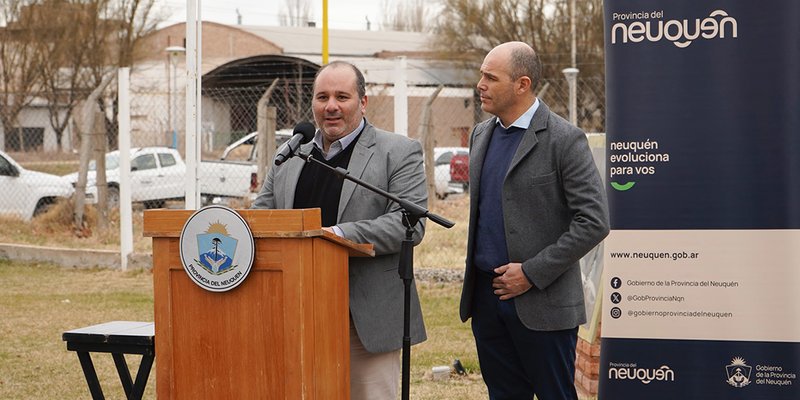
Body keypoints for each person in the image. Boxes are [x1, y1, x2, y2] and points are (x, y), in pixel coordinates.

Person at [252, 61, 427, 400]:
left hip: (362, 317)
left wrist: (332, 235)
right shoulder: (291, 154)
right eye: (322, 97)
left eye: (342, 96)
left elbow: (408, 223)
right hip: (295, 310)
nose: (330, 106)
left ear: (362, 102)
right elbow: (262, 216)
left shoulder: (398, 151)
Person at [459, 41, 610, 400]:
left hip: (544, 304)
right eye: (481, 75)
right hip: (487, 299)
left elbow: (594, 221)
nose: (480, 84)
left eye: (490, 77)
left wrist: (531, 273)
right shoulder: (482, 134)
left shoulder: (564, 139)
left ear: (522, 84)